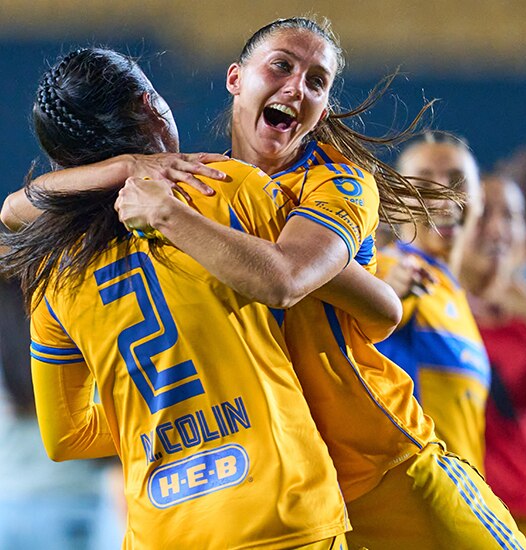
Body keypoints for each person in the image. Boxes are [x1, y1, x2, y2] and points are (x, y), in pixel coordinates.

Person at [3, 18, 526, 549]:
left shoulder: (333, 180)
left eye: (317, 81)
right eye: (281, 65)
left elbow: (294, 281)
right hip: (283, 478)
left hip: (379, 465)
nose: (297, 86)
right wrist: (129, 167)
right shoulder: (210, 188)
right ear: (236, 79)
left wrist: (165, 212)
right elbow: (13, 209)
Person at [0, 47, 349, 549]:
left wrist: (152, 412)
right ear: (150, 106)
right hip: (282, 508)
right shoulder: (228, 188)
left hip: (161, 531)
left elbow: (64, 437)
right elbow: (323, 300)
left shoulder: (55, 272)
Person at [375, 134, 492, 471]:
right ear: (396, 200)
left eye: (456, 180)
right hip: (418, 499)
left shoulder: (451, 291)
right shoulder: (390, 267)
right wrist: (384, 292)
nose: (443, 194)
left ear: (480, 199)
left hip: (465, 500)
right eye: (424, 181)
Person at [461, 174, 526, 548]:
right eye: (481, 215)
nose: (496, 228)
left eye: (510, 216)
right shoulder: (424, 310)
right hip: (454, 509)